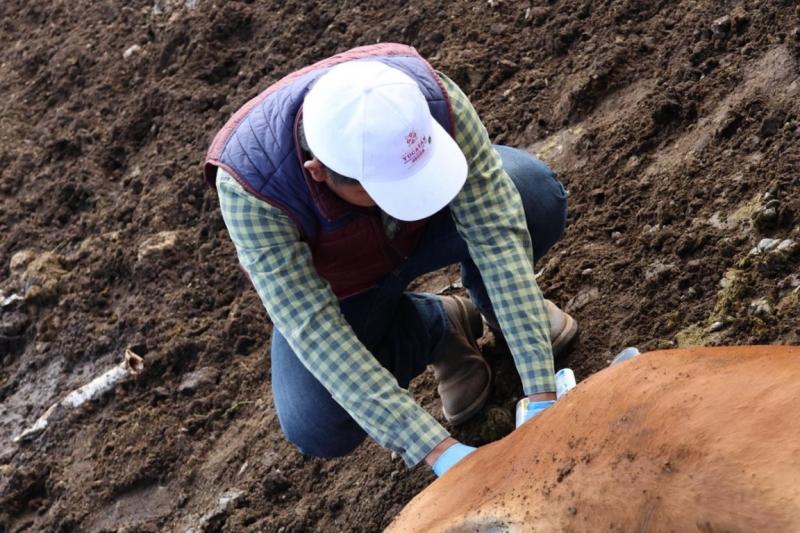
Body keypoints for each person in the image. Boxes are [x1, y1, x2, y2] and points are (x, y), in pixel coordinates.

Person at [203, 43, 578, 477]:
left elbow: (495, 228)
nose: (411, 193)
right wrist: (439, 451)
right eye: (387, 186)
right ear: (318, 172)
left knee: (533, 194)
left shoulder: (427, 97)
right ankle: (438, 328)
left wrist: (541, 389)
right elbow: (315, 329)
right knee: (317, 421)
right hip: (347, 284)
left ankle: (505, 313)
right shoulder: (253, 188)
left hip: (432, 230)